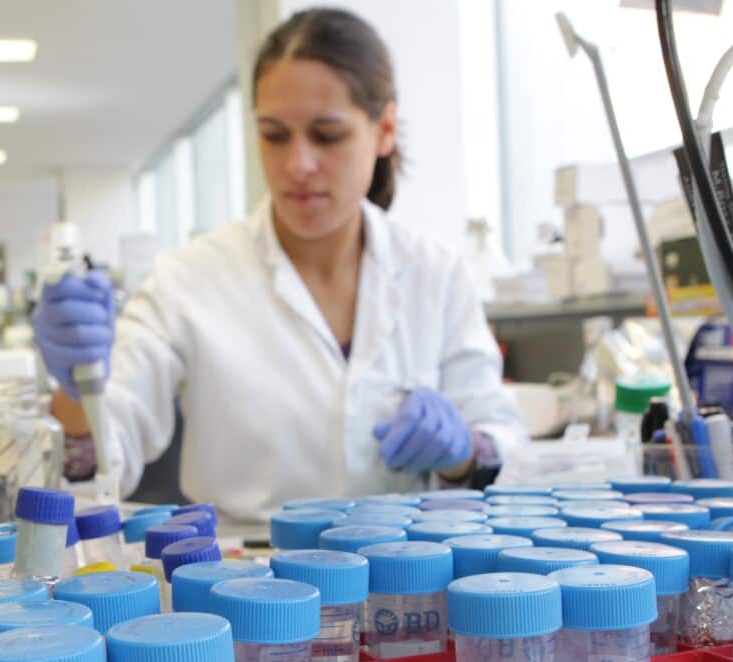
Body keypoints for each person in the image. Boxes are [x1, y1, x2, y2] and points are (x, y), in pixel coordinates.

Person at [34, 8, 526, 521]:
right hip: (242, 583)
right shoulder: (189, 279)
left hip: (405, 574)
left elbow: (502, 447)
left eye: (327, 135)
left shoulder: (436, 275)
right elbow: (104, 459)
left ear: (383, 130)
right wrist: (75, 389)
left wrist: (462, 451)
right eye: (274, 135)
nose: (298, 165)